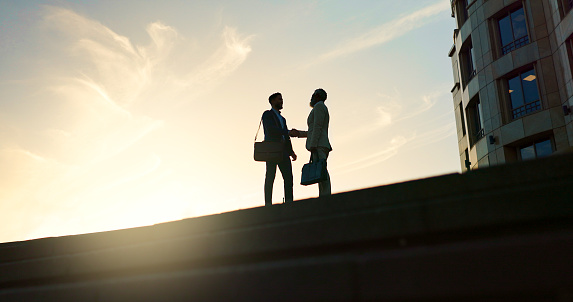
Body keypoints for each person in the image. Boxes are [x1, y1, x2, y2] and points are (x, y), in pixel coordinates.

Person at [293, 88, 332, 196]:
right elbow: (313, 130)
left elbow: (317, 127)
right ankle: (324, 196)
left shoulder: (319, 106)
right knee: (320, 172)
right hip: (319, 144)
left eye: (313, 95)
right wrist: (299, 134)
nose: (311, 97)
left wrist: (313, 145)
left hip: (319, 144)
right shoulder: (319, 107)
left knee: (322, 171)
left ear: (318, 96)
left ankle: (326, 196)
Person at [262, 92, 299, 206]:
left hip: (283, 151)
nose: (281, 101)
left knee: (288, 178)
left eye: (281, 99)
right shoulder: (267, 114)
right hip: (272, 150)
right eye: (279, 99)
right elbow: (271, 129)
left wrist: (291, 151)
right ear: (272, 101)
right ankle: (268, 204)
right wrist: (287, 132)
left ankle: (289, 202)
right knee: (270, 177)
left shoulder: (283, 119)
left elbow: (286, 137)